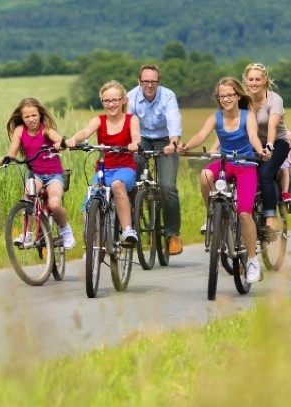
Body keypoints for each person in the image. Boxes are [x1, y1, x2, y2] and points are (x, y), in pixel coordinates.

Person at [178, 77, 267, 284]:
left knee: (244, 213)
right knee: (205, 175)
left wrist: (261, 151)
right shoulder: (215, 118)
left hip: (246, 165)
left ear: (237, 96)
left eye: (229, 95)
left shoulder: (248, 116)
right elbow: (201, 136)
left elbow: (253, 137)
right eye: (221, 96)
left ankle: (252, 260)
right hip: (225, 163)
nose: (225, 99)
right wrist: (186, 147)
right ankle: (212, 215)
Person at [63, 80, 141, 246]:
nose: (111, 104)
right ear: (102, 102)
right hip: (103, 170)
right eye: (107, 101)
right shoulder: (99, 120)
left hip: (125, 169)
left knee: (117, 186)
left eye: (115, 100)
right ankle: (94, 246)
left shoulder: (131, 119)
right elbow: (85, 132)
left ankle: (128, 229)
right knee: (88, 206)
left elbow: (136, 136)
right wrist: (73, 139)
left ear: (123, 101)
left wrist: (134, 143)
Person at [0, 97, 75, 250]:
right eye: (27, 116)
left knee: (54, 203)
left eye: (34, 115)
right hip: (36, 174)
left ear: (40, 115)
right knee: (28, 198)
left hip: (54, 175)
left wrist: (61, 143)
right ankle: (27, 233)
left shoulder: (46, 130)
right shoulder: (20, 131)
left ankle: (66, 231)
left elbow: (59, 140)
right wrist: (5, 159)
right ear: (22, 118)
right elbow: (12, 152)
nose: (31, 119)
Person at [126, 64, 184, 255]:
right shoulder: (132, 96)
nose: (149, 85)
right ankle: (144, 197)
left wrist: (173, 142)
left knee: (167, 186)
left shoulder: (167, 95)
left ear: (158, 82)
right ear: (139, 81)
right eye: (145, 81)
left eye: (153, 81)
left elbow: (174, 119)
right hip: (141, 137)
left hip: (165, 138)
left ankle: (172, 234)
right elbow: (128, 121)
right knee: (134, 164)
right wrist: (132, 142)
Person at [243, 63, 291, 233]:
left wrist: (269, 147)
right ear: (246, 82)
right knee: (242, 174)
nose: (254, 83)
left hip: (277, 142)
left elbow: (272, 127)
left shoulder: (274, 100)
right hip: (252, 143)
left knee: (265, 174)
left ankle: (269, 220)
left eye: (258, 79)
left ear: (265, 81)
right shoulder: (243, 100)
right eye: (251, 79)